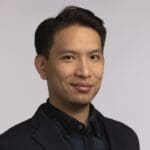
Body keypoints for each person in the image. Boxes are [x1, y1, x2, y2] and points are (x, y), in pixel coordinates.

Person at [0, 6, 140, 150]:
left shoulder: (126, 138)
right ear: (42, 66)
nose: (84, 72)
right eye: (69, 57)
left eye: (93, 57)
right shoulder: (11, 145)